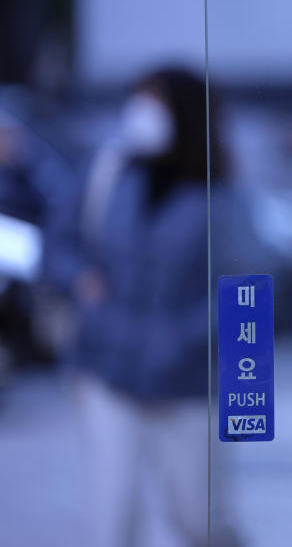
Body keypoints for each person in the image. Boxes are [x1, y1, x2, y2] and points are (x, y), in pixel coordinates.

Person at [45, 68, 228, 546]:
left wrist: (185, 338)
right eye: (138, 101)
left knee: (200, 520)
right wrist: (79, 281)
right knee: (112, 519)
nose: (141, 115)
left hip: (185, 380)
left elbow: (239, 284)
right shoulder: (107, 170)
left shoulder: (218, 187)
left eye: (156, 103)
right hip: (107, 370)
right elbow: (59, 242)